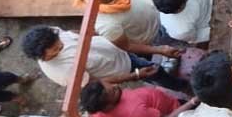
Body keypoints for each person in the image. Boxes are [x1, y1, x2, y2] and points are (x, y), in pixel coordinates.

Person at [21, 26, 181, 90]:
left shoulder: (51, 33)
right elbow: (97, 83)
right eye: (56, 49)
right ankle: (181, 86)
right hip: (124, 68)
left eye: (59, 42)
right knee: (156, 72)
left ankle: (166, 68)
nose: (62, 46)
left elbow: (77, 33)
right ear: (43, 55)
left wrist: (102, 35)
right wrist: (136, 75)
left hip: (117, 49)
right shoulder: (61, 72)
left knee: (147, 57)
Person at [74, 0, 181, 60]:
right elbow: (127, 46)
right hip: (157, 34)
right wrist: (160, 50)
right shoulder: (106, 25)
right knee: (183, 38)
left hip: (158, 10)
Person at [81, 81, 199, 117]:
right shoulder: (136, 113)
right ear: (107, 106)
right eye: (113, 90)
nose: (116, 86)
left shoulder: (96, 111)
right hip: (177, 111)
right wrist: (193, 102)